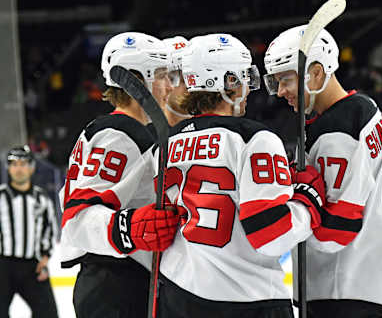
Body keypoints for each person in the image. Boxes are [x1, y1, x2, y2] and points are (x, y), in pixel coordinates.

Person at [157, 33, 326, 318]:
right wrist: (307, 201)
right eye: (244, 77)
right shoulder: (254, 139)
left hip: (178, 295)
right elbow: (271, 234)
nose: (248, 88)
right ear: (229, 82)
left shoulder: (164, 145)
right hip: (249, 300)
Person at [264, 25, 382, 317]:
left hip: (342, 291)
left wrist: (302, 197)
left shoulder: (337, 128)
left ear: (316, 73)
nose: (280, 92)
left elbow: (333, 233)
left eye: (285, 80)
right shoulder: (366, 109)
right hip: (372, 286)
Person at [58, 32, 180, 318]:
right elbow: (78, 217)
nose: (168, 84)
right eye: (161, 74)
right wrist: (131, 227)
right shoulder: (118, 135)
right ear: (136, 79)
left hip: (121, 278)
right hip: (113, 283)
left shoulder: (121, 130)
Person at [0, 145, 59, 318]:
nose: (19, 168)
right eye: (15, 164)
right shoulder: (1, 197)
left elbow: (50, 230)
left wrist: (45, 257)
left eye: (24, 163)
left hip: (33, 266)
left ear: (32, 168)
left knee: (48, 314)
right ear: (8, 168)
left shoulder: (42, 198)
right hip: (2, 266)